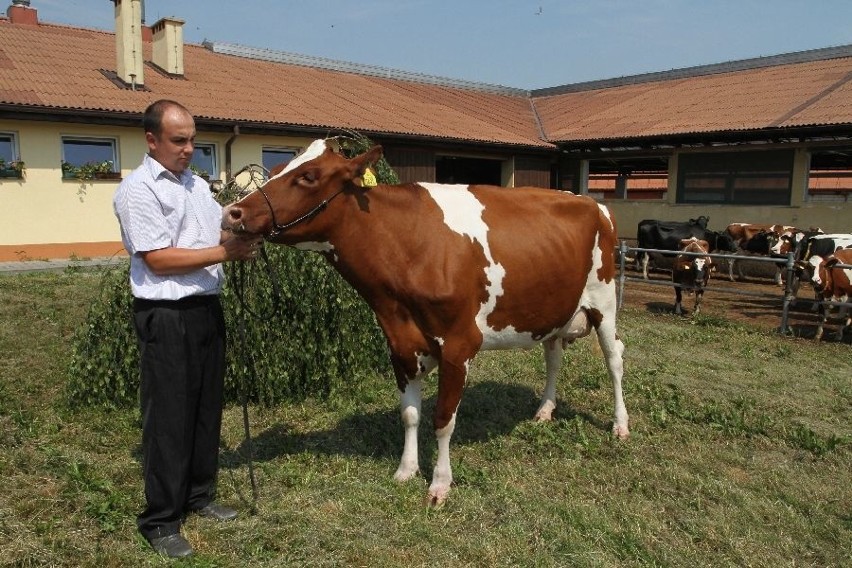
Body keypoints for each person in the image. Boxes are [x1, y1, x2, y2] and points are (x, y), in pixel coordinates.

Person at [113, 99, 262, 558]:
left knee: (204, 407)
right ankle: (160, 520)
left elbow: (212, 232)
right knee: (169, 417)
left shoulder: (195, 186)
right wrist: (226, 255)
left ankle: (199, 495)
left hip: (204, 309)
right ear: (152, 139)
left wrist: (243, 228)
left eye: (193, 140)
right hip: (166, 316)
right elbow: (158, 259)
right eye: (179, 140)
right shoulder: (138, 190)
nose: (189, 149)